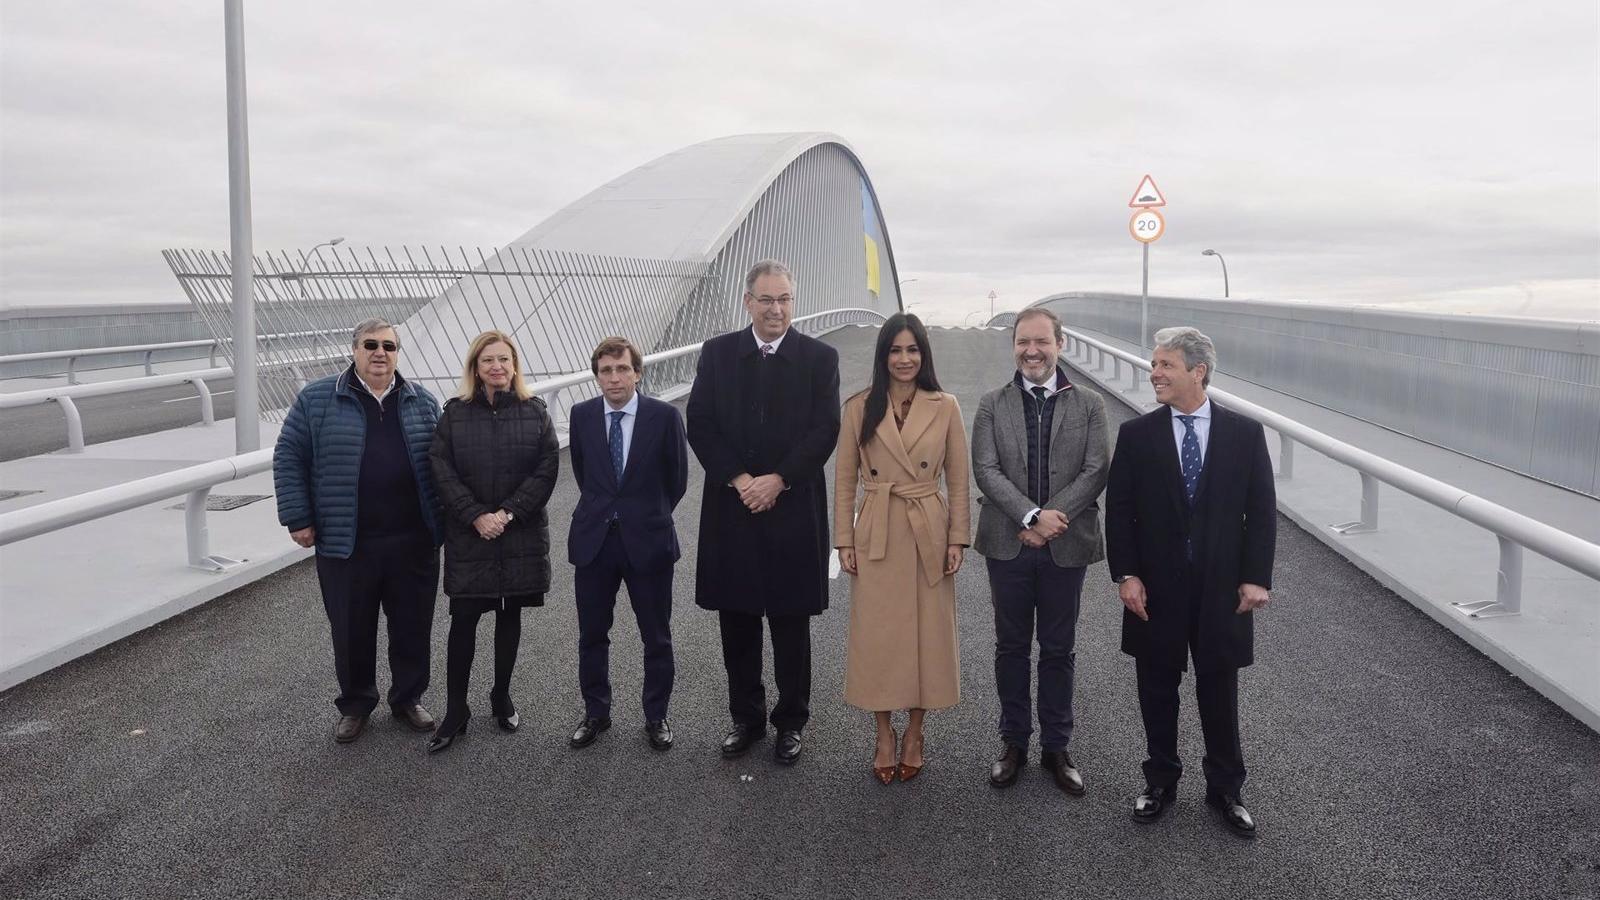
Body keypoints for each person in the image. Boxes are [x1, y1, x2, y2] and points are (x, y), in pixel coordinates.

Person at [1106, 326, 1276, 838]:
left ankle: (1226, 789)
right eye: (1154, 364)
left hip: (1221, 589)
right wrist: (1127, 574)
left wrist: (1255, 578)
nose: (1154, 373)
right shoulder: (1137, 435)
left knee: (1218, 689)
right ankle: (1159, 780)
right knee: (1157, 686)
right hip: (1155, 588)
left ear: (1197, 371)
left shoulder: (1245, 435)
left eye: (1165, 365)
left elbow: (1261, 513)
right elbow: (1120, 513)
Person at [686, 259, 841, 765]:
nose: (777, 309)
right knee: (738, 617)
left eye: (785, 300)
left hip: (793, 505)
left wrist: (779, 479)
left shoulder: (819, 358)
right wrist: (741, 479)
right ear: (748, 302)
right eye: (767, 299)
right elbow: (701, 423)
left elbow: (825, 429)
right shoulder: (718, 353)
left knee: (791, 621)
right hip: (734, 504)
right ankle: (746, 719)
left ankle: (791, 721)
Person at [274, 318, 443, 744]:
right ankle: (356, 704)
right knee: (351, 628)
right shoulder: (317, 399)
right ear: (353, 350)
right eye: (371, 344)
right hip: (346, 541)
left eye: (389, 345)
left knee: (412, 625)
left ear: (398, 353)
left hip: (413, 539)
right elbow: (289, 457)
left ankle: (408, 698)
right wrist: (299, 517)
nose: (380, 353)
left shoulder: (421, 401)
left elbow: (443, 466)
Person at [970, 306, 1109, 794]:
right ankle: (1014, 742)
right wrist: (1030, 517)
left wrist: (1050, 521)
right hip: (1007, 544)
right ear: (1014, 346)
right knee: (1010, 646)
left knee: (1057, 649)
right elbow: (985, 470)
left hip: (1065, 546)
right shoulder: (992, 404)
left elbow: (1095, 470)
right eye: (1023, 342)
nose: (1032, 351)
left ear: (1060, 344)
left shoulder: (1089, 404)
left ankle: (1057, 746)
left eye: (1041, 342)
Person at [834, 313, 970, 784]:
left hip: (928, 527)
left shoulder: (945, 405)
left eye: (913, 350)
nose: (905, 359)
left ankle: (914, 730)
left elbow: (957, 478)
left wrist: (958, 538)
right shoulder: (859, 406)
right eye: (896, 350)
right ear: (883, 355)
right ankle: (882, 733)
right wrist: (843, 540)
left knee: (927, 638)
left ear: (924, 354)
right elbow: (845, 480)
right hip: (878, 530)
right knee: (877, 638)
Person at [425, 330, 559, 753]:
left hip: (516, 533)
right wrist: (476, 516)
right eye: (487, 361)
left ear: (514, 365)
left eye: (503, 359)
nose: (496, 367)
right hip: (472, 537)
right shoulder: (454, 415)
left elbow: (546, 468)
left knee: (509, 617)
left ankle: (501, 697)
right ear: (475, 368)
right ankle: (455, 709)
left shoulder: (534, 412)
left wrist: (506, 513)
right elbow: (441, 469)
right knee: (463, 621)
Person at [566, 337, 689, 752]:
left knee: (656, 636)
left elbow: (677, 481)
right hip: (594, 542)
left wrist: (643, 514)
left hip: (648, 541)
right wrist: (610, 510)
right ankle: (596, 713)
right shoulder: (581, 415)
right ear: (596, 375)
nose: (614, 378)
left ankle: (656, 716)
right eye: (605, 370)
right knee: (592, 635)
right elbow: (585, 475)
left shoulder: (664, 417)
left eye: (622, 369)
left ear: (638, 372)